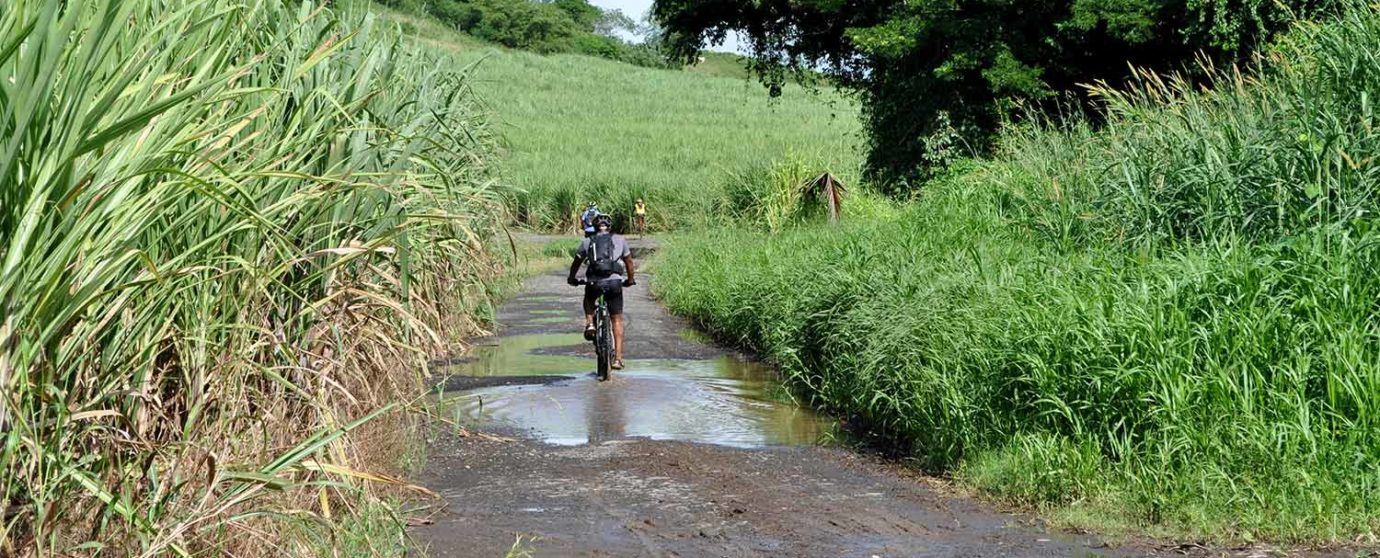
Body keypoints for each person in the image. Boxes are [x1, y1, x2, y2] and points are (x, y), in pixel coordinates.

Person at [567, 213, 636, 370]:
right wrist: (630, 279)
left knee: (589, 299)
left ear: (594, 227)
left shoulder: (587, 242)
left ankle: (590, 323)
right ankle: (618, 359)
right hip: (614, 283)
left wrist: (572, 278)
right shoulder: (620, 240)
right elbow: (629, 262)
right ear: (610, 227)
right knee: (617, 319)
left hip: (594, 283)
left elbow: (576, 262)